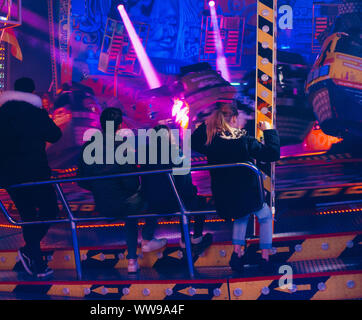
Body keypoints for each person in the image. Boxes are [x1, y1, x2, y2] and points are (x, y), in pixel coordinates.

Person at [0, 77, 70, 278]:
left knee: (27, 215)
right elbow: (56, 135)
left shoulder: (0, 113)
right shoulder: (37, 113)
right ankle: (30, 254)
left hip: (10, 175)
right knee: (50, 210)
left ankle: (34, 258)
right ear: (32, 92)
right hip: (36, 173)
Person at [191, 101, 280, 273]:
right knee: (265, 215)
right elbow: (272, 154)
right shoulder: (244, 141)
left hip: (225, 199)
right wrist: (268, 130)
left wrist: (208, 124)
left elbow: (193, 141)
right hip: (248, 196)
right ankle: (265, 256)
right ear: (233, 119)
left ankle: (238, 253)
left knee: (241, 215)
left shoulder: (211, 143)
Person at [77, 107, 167, 273]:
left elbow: (81, 178)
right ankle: (143, 245)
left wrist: (99, 188)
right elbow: (131, 183)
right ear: (119, 126)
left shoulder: (87, 147)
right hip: (122, 203)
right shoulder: (123, 147)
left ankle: (134, 258)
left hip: (101, 202)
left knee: (130, 207)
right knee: (153, 196)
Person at [139, 125, 213, 253]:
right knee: (196, 201)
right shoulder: (176, 153)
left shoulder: (146, 155)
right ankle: (193, 239)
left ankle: (147, 237)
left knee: (168, 198)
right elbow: (185, 184)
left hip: (152, 204)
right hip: (173, 203)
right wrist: (193, 192)